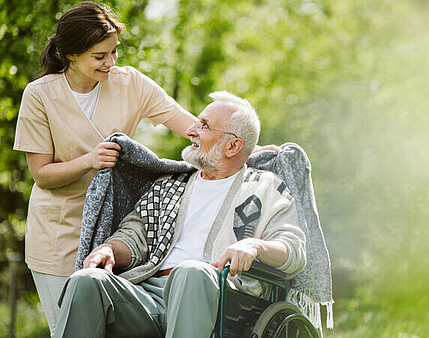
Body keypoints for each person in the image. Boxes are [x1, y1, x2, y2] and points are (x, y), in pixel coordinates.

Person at [54, 91, 307, 337]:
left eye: (204, 126)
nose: (191, 131)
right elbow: (134, 236)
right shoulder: (170, 185)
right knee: (87, 281)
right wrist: (108, 249)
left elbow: (294, 249)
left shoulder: (265, 188)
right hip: (150, 295)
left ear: (232, 146)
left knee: (191, 272)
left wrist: (255, 245)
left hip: (223, 298)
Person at [12, 2, 195, 336]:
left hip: (113, 234)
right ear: (71, 54)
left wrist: (246, 143)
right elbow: (42, 174)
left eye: (114, 52)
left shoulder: (131, 84)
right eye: (100, 56)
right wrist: (90, 161)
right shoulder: (39, 95)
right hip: (58, 234)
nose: (111, 63)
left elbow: (193, 128)